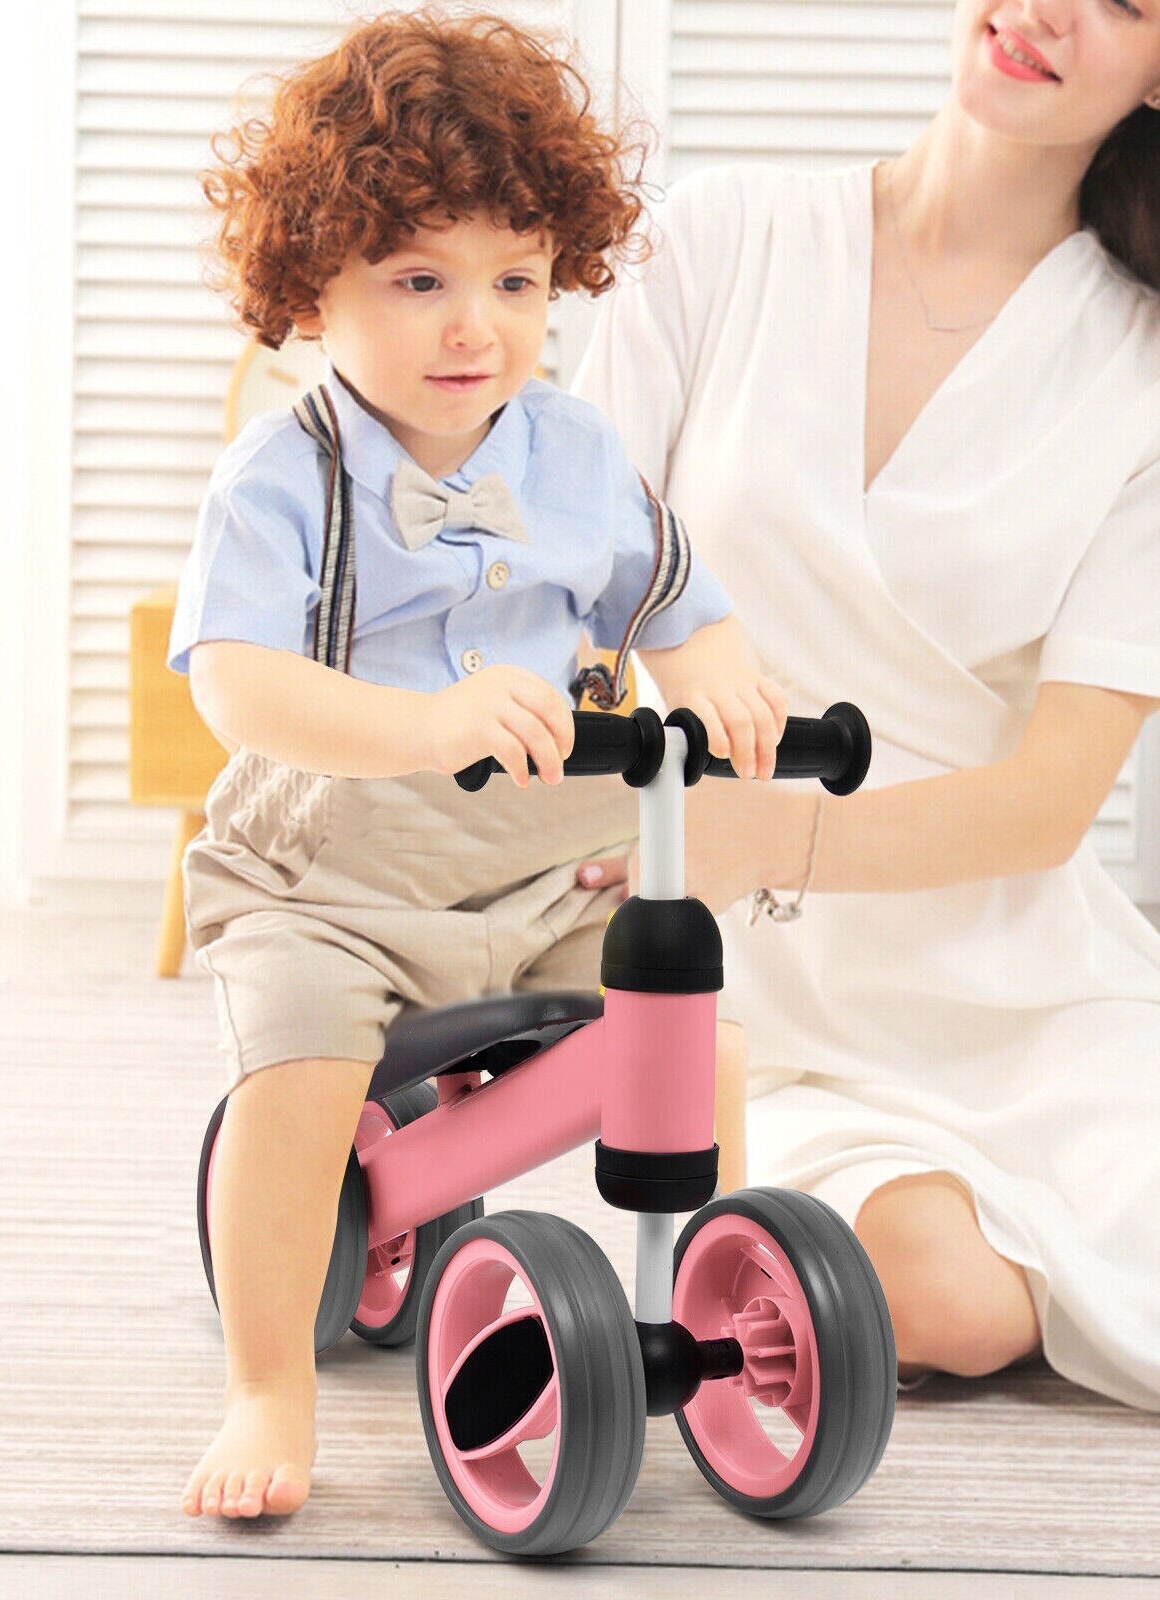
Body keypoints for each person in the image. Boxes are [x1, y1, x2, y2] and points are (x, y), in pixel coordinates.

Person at [570, 0, 1160, 1437]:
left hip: (1007, 985)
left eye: (1125, 3)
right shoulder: (717, 241)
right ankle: (1057, 1261)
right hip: (730, 987)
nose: (1050, 9)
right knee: (936, 1298)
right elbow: (576, 589)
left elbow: (1049, 801)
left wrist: (767, 837)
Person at [170, 9, 787, 1520]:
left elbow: (675, 605)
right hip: (331, 873)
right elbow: (239, 686)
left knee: (696, 1039)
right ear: (311, 285)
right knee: (299, 1074)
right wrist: (423, 727)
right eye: (419, 281)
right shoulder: (284, 478)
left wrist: (722, 678)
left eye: (516, 282)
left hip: (544, 861)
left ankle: (703, 1303)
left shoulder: (573, 452)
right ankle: (269, 1377)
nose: (476, 330)